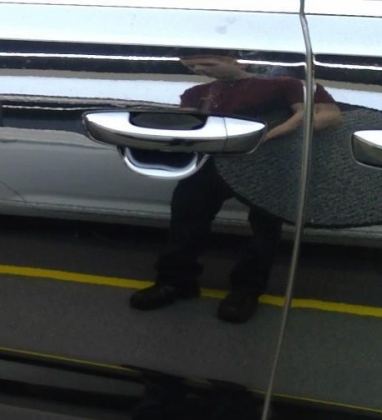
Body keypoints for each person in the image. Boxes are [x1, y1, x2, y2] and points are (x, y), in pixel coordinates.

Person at [129, 54, 341, 322]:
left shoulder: (285, 84)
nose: (199, 70)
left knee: (264, 229)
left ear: (238, 61)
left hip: (269, 163)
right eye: (192, 66)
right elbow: (190, 126)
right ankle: (175, 281)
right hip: (214, 161)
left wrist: (278, 134)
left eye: (207, 64)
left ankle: (246, 290)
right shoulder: (197, 93)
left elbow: (330, 117)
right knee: (186, 217)